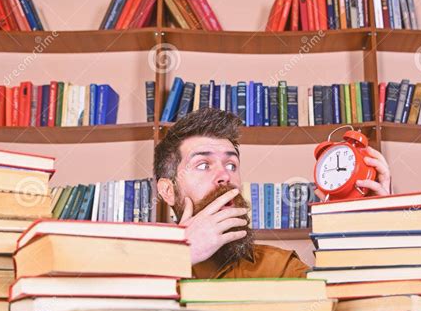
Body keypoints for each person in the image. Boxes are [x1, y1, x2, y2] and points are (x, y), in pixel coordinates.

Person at [154, 108, 392, 279]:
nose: (225, 176)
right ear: (167, 190)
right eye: (204, 165)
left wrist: (369, 225)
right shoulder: (138, 265)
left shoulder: (280, 269)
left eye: (231, 165)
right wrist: (179, 257)